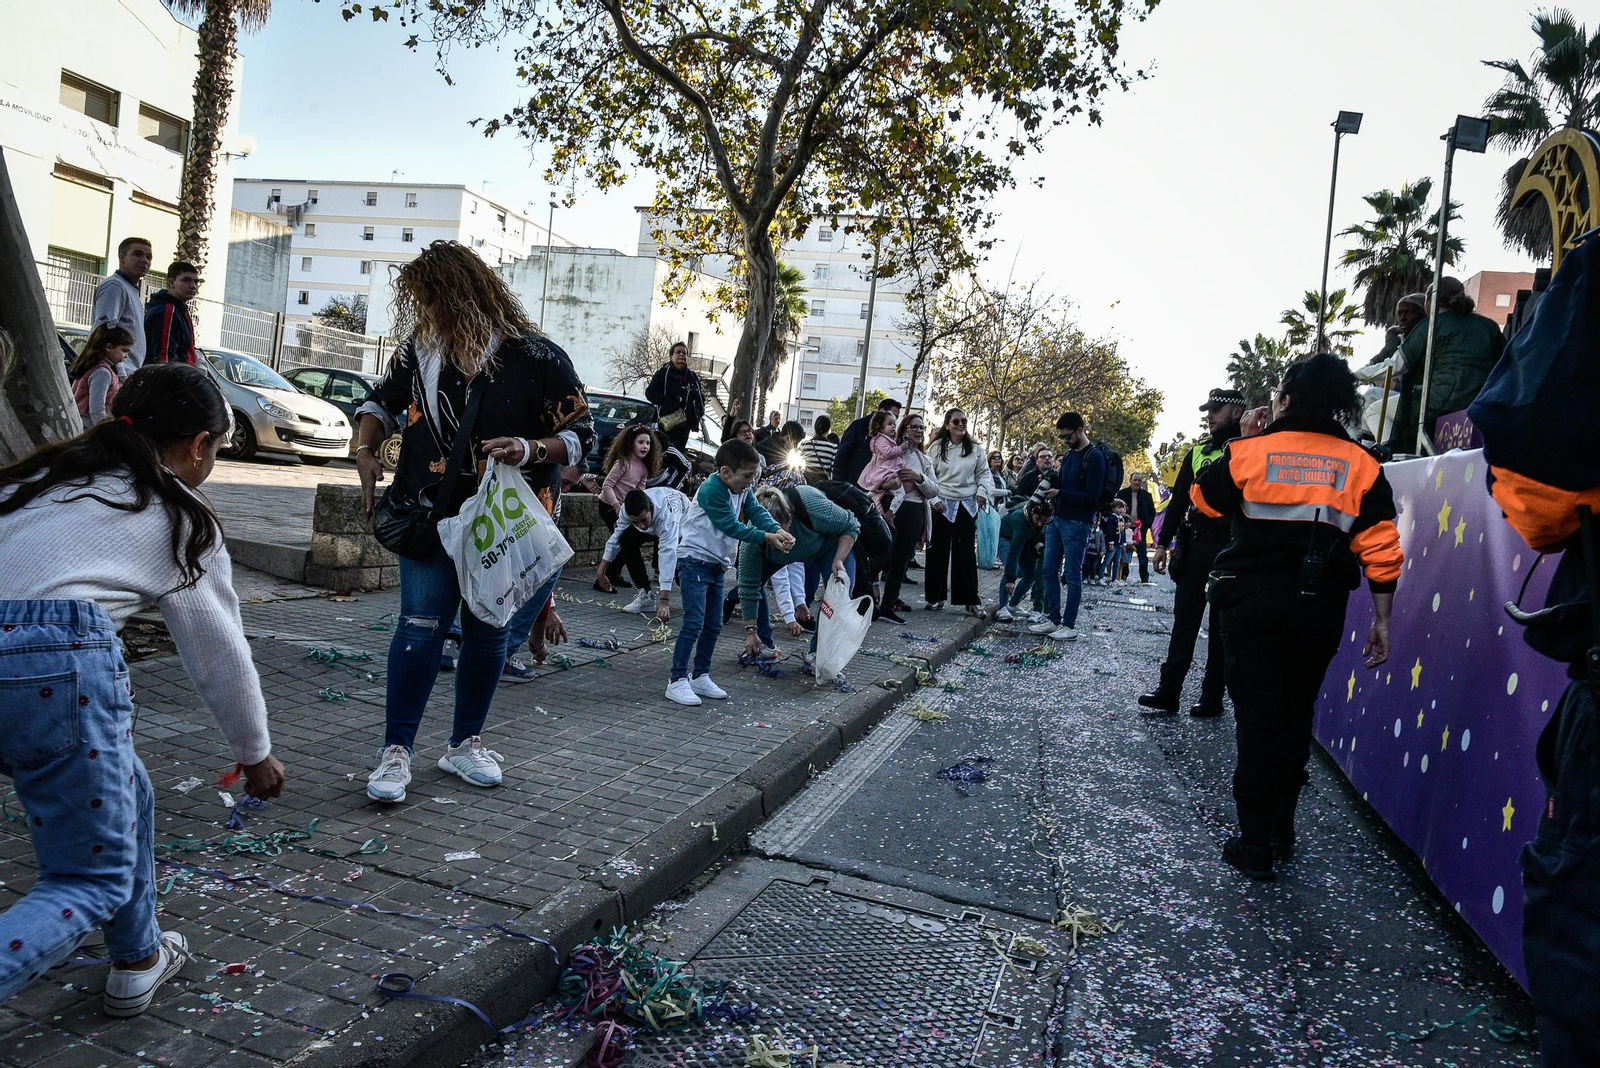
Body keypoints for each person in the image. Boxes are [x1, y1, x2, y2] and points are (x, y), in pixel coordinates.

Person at [0, 362, 286, 1014]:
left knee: (129, 790)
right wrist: (254, 752)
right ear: (198, 447)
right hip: (51, 664)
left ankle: (138, 956)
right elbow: (219, 653)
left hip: (25, 665)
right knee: (86, 878)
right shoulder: (180, 516)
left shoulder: (42, 480)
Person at [354, 241, 593, 803]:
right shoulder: (420, 351)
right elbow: (379, 404)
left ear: (467, 292)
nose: (427, 311)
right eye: (420, 300)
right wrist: (365, 448)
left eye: (435, 298)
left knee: (487, 635)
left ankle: (465, 744)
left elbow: (585, 439)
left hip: (499, 524)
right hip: (429, 514)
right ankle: (396, 752)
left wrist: (529, 448)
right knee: (418, 628)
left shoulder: (538, 358)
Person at [1191, 353, 1401, 881]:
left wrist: (1243, 438)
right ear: (1342, 403)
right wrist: (1383, 619)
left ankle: (1256, 843)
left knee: (1257, 722)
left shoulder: (1251, 452)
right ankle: (1283, 829)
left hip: (1250, 607)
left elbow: (1204, 501)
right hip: (1318, 610)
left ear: (1285, 398)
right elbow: (1381, 549)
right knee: (1294, 716)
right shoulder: (1362, 465)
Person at [1138, 388, 1244, 717]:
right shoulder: (1198, 452)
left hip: (1232, 547)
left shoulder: (1252, 448)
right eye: (1208, 410)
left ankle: (1211, 698)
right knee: (1185, 622)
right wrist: (1163, 544)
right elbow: (1179, 500)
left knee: (1220, 628)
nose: (1210, 415)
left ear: (1237, 412)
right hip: (1196, 545)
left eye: (1217, 409)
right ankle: (1169, 692)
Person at [668, 438, 793, 706]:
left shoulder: (742, 490)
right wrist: (766, 537)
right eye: (747, 476)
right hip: (694, 561)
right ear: (726, 472)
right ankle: (676, 679)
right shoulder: (712, 489)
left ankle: (700, 675)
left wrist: (777, 529)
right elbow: (731, 527)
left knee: (713, 625)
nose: (751, 481)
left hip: (716, 565)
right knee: (694, 623)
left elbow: (756, 511)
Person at [739, 486, 859, 659]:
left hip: (826, 545)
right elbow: (748, 587)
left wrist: (839, 559)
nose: (778, 542)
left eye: (779, 535)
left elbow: (851, 524)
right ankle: (764, 644)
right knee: (752, 583)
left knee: (840, 590)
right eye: (771, 538)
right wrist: (751, 632)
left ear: (789, 519)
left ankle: (818, 653)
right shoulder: (752, 541)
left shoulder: (811, 504)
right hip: (781, 552)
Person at [1390, 277, 1506, 452]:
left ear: (1430, 301)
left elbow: (1397, 365)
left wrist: (1357, 375)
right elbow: (1504, 365)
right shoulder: (1489, 326)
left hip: (1435, 407)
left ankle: (1384, 453)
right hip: (1478, 407)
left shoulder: (1431, 324)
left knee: (1374, 410)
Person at [1030, 412, 1104, 642]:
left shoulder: (1095, 457)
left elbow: (1092, 496)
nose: (1065, 441)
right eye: (1062, 437)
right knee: (1048, 570)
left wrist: (1061, 493)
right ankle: (1053, 618)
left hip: (1078, 523)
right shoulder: (1071, 455)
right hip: (1057, 519)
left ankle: (1069, 624)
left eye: (1068, 436)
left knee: (1072, 574)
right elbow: (1061, 481)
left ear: (1080, 430)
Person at [925, 408, 990, 615]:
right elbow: (927, 475)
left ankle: (970, 599)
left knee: (966, 553)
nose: (960, 424)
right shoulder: (936, 448)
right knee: (937, 552)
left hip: (966, 504)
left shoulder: (976, 449)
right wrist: (934, 499)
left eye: (963, 421)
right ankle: (935, 597)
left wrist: (981, 492)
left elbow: (984, 473)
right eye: (956, 422)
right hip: (941, 503)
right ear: (947, 425)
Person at [879, 412, 941, 624]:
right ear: (904, 430)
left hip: (914, 511)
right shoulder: (891, 453)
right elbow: (873, 477)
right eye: (914, 427)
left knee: (901, 560)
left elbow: (934, 490)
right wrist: (887, 485)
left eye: (922, 428)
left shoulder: (925, 460)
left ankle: (887, 606)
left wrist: (919, 478)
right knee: (881, 555)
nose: (918, 431)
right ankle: (865, 599)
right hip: (890, 508)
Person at [597, 487, 686, 620]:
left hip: (683, 524)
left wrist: (664, 602)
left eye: (643, 520)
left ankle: (697, 597)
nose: (641, 526)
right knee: (626, 538)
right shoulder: (625, 511)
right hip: (657, 523)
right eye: (635, 522)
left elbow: (668, 555)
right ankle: (645, 594)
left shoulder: (667, 517)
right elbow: (615, 539)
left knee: (680, 570)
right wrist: (601, 572)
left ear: (651, 507)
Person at [92, 237, 152, 377]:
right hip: (116, 375)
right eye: (137, 254)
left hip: (127, 373)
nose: (144, 260)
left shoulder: (130, 289)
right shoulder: (115, 286)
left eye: (149, 257)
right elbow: (104, 331)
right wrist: (120, 373)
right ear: (122, 258)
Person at [597, 423, 661, 531]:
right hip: (609, 505)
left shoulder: (644, 468)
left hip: (625, 507)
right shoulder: (623, 463)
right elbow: (607, 485)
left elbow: (640, 491)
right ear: (631, 444)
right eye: (640, 442)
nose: (645, 446)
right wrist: (616, 505)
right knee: (618, 535)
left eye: (648, 443)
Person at [995, 501, 1050, 622]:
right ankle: (1003, 607)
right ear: (1032, 513)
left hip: (1026, 541)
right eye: (1037, 519)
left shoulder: (1037, 522)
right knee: (1011, 570)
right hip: (1006, 538)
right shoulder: (1021, 520)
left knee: (1031, 575)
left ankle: (1012, 605)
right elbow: (1013, 553)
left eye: (1043, 521)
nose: (1039, 523)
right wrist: (1010, 580)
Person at [645, 340, 704, 452]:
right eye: (678, 352)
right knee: (665, 454)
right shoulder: (663, 374)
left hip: (685, 425)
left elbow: (700, 398)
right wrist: (669, 401)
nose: (681, 355)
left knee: (678, 454)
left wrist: (698, 412)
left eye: (684, 353)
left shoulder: (692, 377)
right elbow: (650, 393)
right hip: (667, 424)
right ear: (671, 356)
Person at [68, 324, 133, 424]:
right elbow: (96, 409)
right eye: (124, 351)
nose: (126, 356)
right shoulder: (102, 373)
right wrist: (102, 431)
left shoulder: (96, 367)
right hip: (88, 426)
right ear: (108, 347)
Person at [831, 396, 903, 485]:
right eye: (892, 415)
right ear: (881, 411)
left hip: (875, 485)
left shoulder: (891, 435)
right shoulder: (859, 426)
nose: (894, 421)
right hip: (853, 483)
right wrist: (838, 484)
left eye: (896, 418)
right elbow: (842, 456)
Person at [142, 261, 200, 366]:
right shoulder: (168, 310)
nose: (193, 286)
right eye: (186, 280)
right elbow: (164, 359)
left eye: (196, 282)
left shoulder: (179, 308)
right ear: (171, 282)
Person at [1116, 472, 1157, 584]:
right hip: (1124, 530)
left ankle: (1144, 578)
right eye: (1135, 480)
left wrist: (1147, 524)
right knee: (1124, 553)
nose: (1137, 482)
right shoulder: (1122, 494)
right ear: (1130, 480)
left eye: (1139, 480)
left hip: (1140, 530)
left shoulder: (1146, 496)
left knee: (1142, 555)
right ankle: (1123, 576)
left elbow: (1152, 512)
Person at [853, 409, 905, 500]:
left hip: (885, 468)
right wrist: (901, 448)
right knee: (898, 493)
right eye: (890, 424)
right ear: (880, 427)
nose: (893, 427)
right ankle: (888, 510)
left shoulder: (887, 439)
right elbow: (888, 452)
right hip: (883, 468)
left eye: (894, 424)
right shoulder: (881, 439)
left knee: (896, 493)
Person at [976, 450, 1009, 568]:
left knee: (996, 535)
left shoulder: (1002, 474)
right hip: (990, 507)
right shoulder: (988, 473)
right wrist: (1007, 492)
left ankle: (992, 558)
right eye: (994, 458)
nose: (997, 460)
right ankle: (984, 560)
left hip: (1001, 508)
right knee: (987, 535)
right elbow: (991, 491)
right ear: (989, 460)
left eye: (999, 457)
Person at [1098, 499, 1128, 585]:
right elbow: (1109, 531)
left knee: (1117, 562)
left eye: (1123, 508)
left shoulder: (1122, 519)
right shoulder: (1111, 519)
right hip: (1113, 544)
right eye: (1119, 508)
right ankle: (1100, 577)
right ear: (1113, 509)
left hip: (1119, 544)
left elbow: (1123, 532)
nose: (1121, 510)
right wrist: (1110, 543)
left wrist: (1124, 543)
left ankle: (1115, 579)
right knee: (1107, 561)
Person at [799, 414, 837, 482]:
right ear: (828, 430)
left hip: (807, 482)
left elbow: (799, 465)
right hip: (823, 485)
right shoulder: (833, 448)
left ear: (815, 427)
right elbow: (833, 470)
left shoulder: (805, 444)